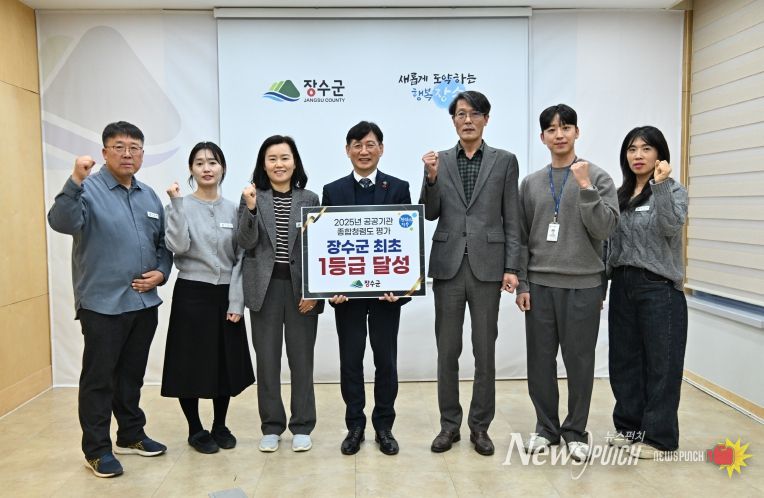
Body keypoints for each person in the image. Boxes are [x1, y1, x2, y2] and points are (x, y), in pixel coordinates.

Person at [48, 121, 172, 478]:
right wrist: (74, 180)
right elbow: (61, 222)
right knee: (99, 379)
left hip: (143, 304)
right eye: (119, 147)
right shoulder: (87, 189)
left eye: (134, 148)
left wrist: (161, 272)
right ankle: (97, 449)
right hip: (102, 305)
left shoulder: (149, 196)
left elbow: (164, 245)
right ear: (105, 152)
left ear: (143, 154)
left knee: (131, 376)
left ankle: (130, 434)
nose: (127, 154)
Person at [515, 104, 619, 462]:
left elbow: (605, 230)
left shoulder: (599, 177)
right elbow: (521, 238)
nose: (559, 134)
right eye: (552, 129)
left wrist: (585, 186)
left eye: (566, 127)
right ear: (542, 137)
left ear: (577, 132)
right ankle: (546, 428)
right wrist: (523, 284)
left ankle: (575, 431)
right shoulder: (530, 183)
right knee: (540, 362)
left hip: (584, 286)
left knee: (580, 362)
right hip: (540, 286)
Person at [420, 91, 521, 456]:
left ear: (486, 119)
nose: (467, 120)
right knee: (447, 351)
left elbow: (512, 217)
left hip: (488, 267)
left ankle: (480, 426)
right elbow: (429, 212)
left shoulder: (504, 161)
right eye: (461, 114)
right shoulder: (439, 160)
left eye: (474, 113)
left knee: (484, 351)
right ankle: (449, 425)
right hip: (448, 267)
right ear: (453, 120)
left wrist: (512, 267)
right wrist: (430, 178)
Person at [322, 121, 411, 456]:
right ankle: (355, 426)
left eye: (370, 144)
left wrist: (401, 287)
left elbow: (404, 239)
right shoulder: (333, 191)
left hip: (387, 295)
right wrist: (331, 287)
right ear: (347, 150)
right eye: (357, 145)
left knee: (386, 361)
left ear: (381, 149)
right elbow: (328, 242)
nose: (364, 151)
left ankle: (384, 427)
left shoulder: (398, 188)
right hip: (348, 296)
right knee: (351, 361)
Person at [161, 141, 255, 454]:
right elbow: (178, 246)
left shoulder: (233, 208)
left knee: (223, 363)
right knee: (189, 363)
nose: (206, 168)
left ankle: (219, 425)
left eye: (212, 162)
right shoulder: (179, 206)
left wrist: (236, 301)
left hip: (225, 294)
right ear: (191, 169)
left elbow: (241, 257)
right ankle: (195, 428)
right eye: (199, 163)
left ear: (222, 168)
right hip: (192, 292)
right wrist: (176, 205)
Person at [606, 126, 688, 459]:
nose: (638, 155)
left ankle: (659, 438)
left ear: (659, 154)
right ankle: (630, 428)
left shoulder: (673, 190)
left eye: (646, 148)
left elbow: (671, 227)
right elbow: (609, 243)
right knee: (624, 361)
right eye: (632, 149)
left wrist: (661, 184)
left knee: (662, 365)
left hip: (659, 288)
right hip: (622, 284)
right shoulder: (620, 194)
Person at [237, 135, 323, 453]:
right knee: (267, 361)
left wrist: (314, 291)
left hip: (301, 291)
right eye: (272, 159)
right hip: (265, 290)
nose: (279, 164)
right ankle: (271, 426)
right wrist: (250, 209)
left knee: (302, 360)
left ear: (294, 162)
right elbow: (245, 242)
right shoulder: (252, 197)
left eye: (284, 158)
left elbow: (318, 248)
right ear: (263, 164)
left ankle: (302, 425)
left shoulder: (310, 198)